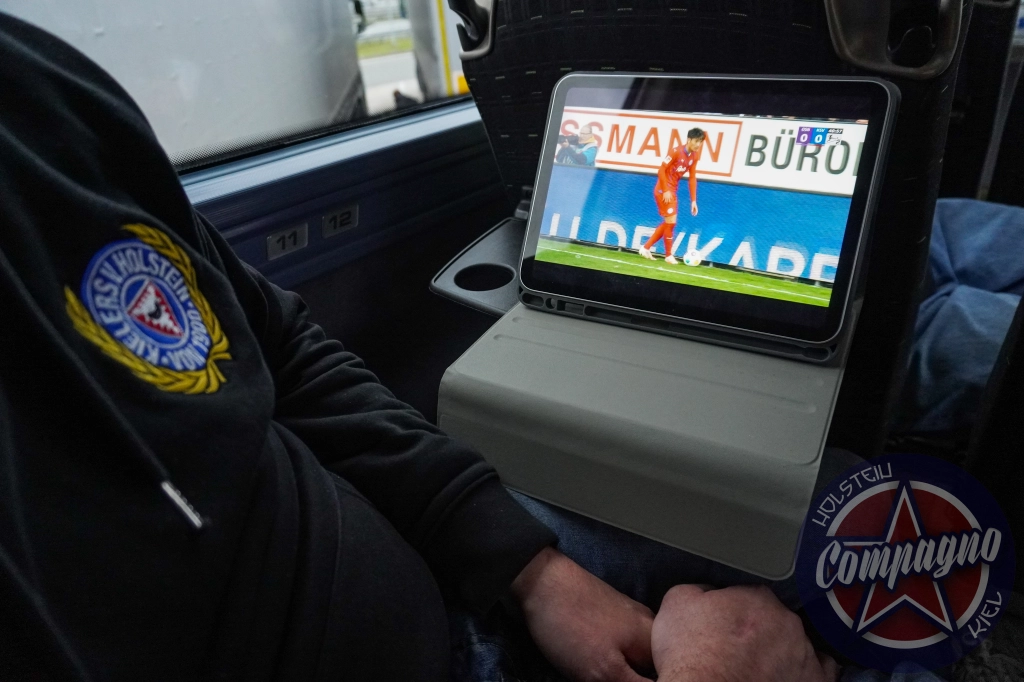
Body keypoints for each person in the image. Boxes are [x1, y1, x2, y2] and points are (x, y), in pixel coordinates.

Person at [0, 14, 929, 682]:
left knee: (864, 514)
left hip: (435, 546)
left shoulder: (33, 88)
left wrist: (527, 567)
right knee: (887, 581)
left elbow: (279, 345)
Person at [640, 127, 704, 265]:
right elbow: (661, 170)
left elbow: (692, 177)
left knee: (669, 223)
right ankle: (668, 256)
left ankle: (646, 248)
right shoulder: (676, 152)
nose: (698, 144)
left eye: (700, 142)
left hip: (672, 190)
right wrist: (665, 190)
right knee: (671, 222)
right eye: (696, 141)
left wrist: (693, 200)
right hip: (663, 190)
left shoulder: (694, 156)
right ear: (689, 140)